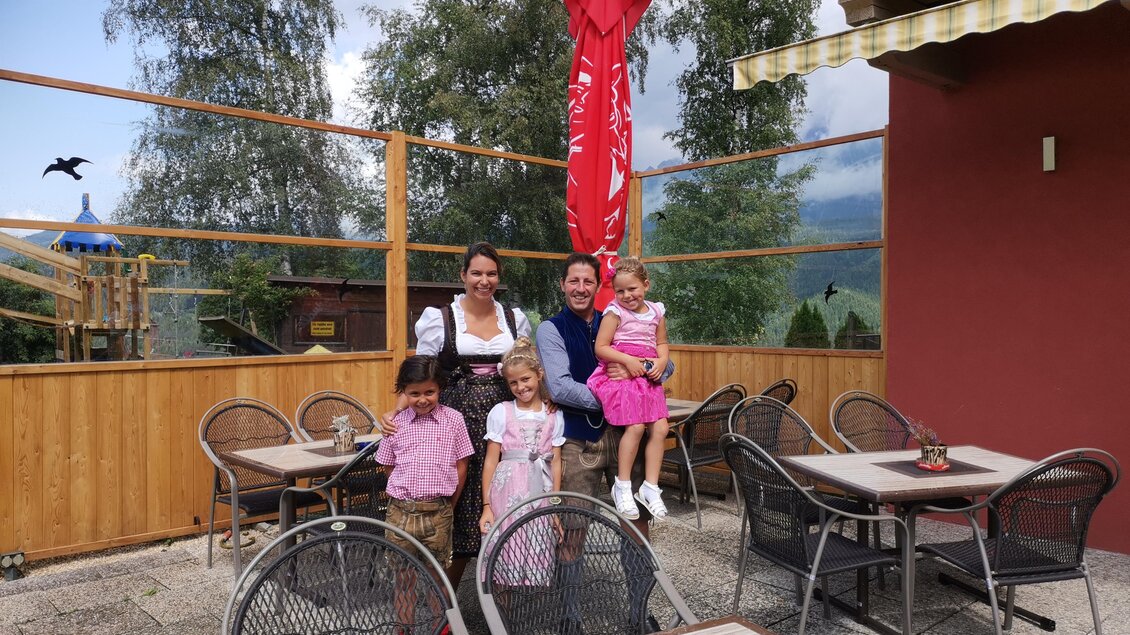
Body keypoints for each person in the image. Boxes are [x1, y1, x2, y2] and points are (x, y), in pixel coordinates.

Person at [536, 252, 673, 634]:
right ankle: (569, 615)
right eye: (573, 281)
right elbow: (560, 387)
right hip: (582, 439)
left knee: (638, 524)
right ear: (563, 284)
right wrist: (622, 395)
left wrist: (646, 369)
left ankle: (637, 612)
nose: (581, 288)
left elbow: (664, 360)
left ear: (599, 287)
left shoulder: (621, 313)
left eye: (588, 282)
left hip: (627, 436)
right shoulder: (551, 329)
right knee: (574, 525)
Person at [382, 241, 532, 586]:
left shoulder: (514, 318)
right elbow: (422, 374)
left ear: (499, 277)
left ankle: (502, 586)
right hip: (456, 419)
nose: (484, 280)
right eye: (476, 273)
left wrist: (545, 403)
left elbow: (527, 368)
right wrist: (397, 412)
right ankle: (447, 598)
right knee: (460, 500)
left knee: (502, 491)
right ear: (463, 275)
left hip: (503, 420)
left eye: (491, 273)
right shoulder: (441, 317)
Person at [376, 356, 474, 623]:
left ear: (439, 389)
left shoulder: (454, 420)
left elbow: (461, 465)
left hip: (438, 511)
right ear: (403, 392)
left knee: (437, 576)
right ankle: (404, 628)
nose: (422, 399)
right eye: (414, 393)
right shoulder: (394, 424)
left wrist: (449, 505)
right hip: (400, 513)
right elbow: (388, 465)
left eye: (429, 392)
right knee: (403, 576)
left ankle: (440, 628)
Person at [587, 257, 670, 519]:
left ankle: (650, 486)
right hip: (622, 375)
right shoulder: (614, 312)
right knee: (634, 426)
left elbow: (663, 343)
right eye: (620, 290)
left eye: (632, 289)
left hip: (646, 377)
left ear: (646, 285)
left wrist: (661, 361)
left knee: (661, 427)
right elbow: (601, 347)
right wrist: (627, 360)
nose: (626, 295)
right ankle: (622, 486)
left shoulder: (657, 312)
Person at [478, 336, 563, 588]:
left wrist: (555, 504)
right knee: (505, 544)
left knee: (535, 538)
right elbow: (491, 461)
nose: (520, 387)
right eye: (513, 382)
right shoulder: (501, 411)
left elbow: (556, 461)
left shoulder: (554, 415)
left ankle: (523, 615)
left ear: (539, 375)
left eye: (525, 379)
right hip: (506, 493)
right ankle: (502, 618)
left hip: (540, 491)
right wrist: (486, 505)